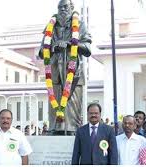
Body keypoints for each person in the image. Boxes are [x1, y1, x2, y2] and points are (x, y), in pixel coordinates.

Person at [38, 0, 92, 135]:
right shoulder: (51, 26)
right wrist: (53, 46)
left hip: (74, 73)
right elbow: (41, 52)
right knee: (54, 104)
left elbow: (87, 49)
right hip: (55, 73)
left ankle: (72, 130)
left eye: (65, 7)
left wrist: (70, 44)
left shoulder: (80, 25)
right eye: (60, 7)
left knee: (72, 107)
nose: (62, 10)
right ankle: (55, 129)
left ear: (72, 8)